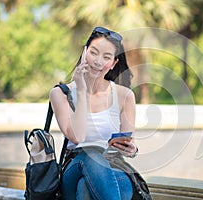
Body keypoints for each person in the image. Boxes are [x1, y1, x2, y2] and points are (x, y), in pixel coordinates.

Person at [50, 27, 139, 200]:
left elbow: (129, 143)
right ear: (84, 52)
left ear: (113, 63)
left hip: (114, 166)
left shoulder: (125, 96)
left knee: (85, 189)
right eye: (94, 53)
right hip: (75, 167)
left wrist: (132, 149)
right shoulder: (60, 93)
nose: (98, 61)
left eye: (106, 57)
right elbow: (77, 136)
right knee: (91, 155)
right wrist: (82, 89)